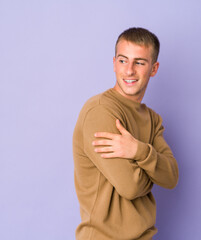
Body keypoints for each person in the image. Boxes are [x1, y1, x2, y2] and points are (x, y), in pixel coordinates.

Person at [73, 27, 179, 240]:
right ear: (114, 63)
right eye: (123, 61)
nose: (129, 70)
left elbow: (171, 177)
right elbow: (130, 187)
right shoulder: (100, 111)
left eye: (139, 62)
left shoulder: (152, 119)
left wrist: (138, 150)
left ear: (154, 68)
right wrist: (153, 168)